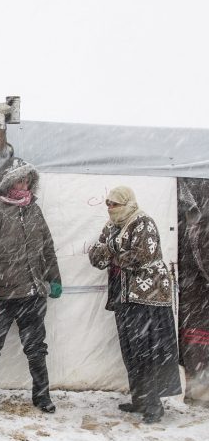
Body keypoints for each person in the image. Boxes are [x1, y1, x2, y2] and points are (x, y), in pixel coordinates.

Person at [0, 156, 61, 413]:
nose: (24, 184)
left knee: (36, 347)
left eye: (28, 180)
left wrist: (54, 278)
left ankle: (41, 395)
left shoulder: (33, 208)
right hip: (1, 293)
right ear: (7, 181)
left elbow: (47, 246)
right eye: (19, 179)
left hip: (32, 292)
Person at [89, 186, 181, 424]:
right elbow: (95, 257)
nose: (110, 208)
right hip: (123, 297)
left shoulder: (143, 223)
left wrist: (110, 252)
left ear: (126, 203)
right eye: (108, 204)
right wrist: (113, 252)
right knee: (130, 350)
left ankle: (154, 404)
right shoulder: (111, 227)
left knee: (148, 351)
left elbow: (141, 257)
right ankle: (139, 398)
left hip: (148, 298)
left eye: (114, 204)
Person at [177, 178, 209, 406]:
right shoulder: (192, 227)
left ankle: (199, 389)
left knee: (197, 342)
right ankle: (197, 389)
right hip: (192, 292)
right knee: (195, 341)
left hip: (195, 292)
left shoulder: (197, 228)